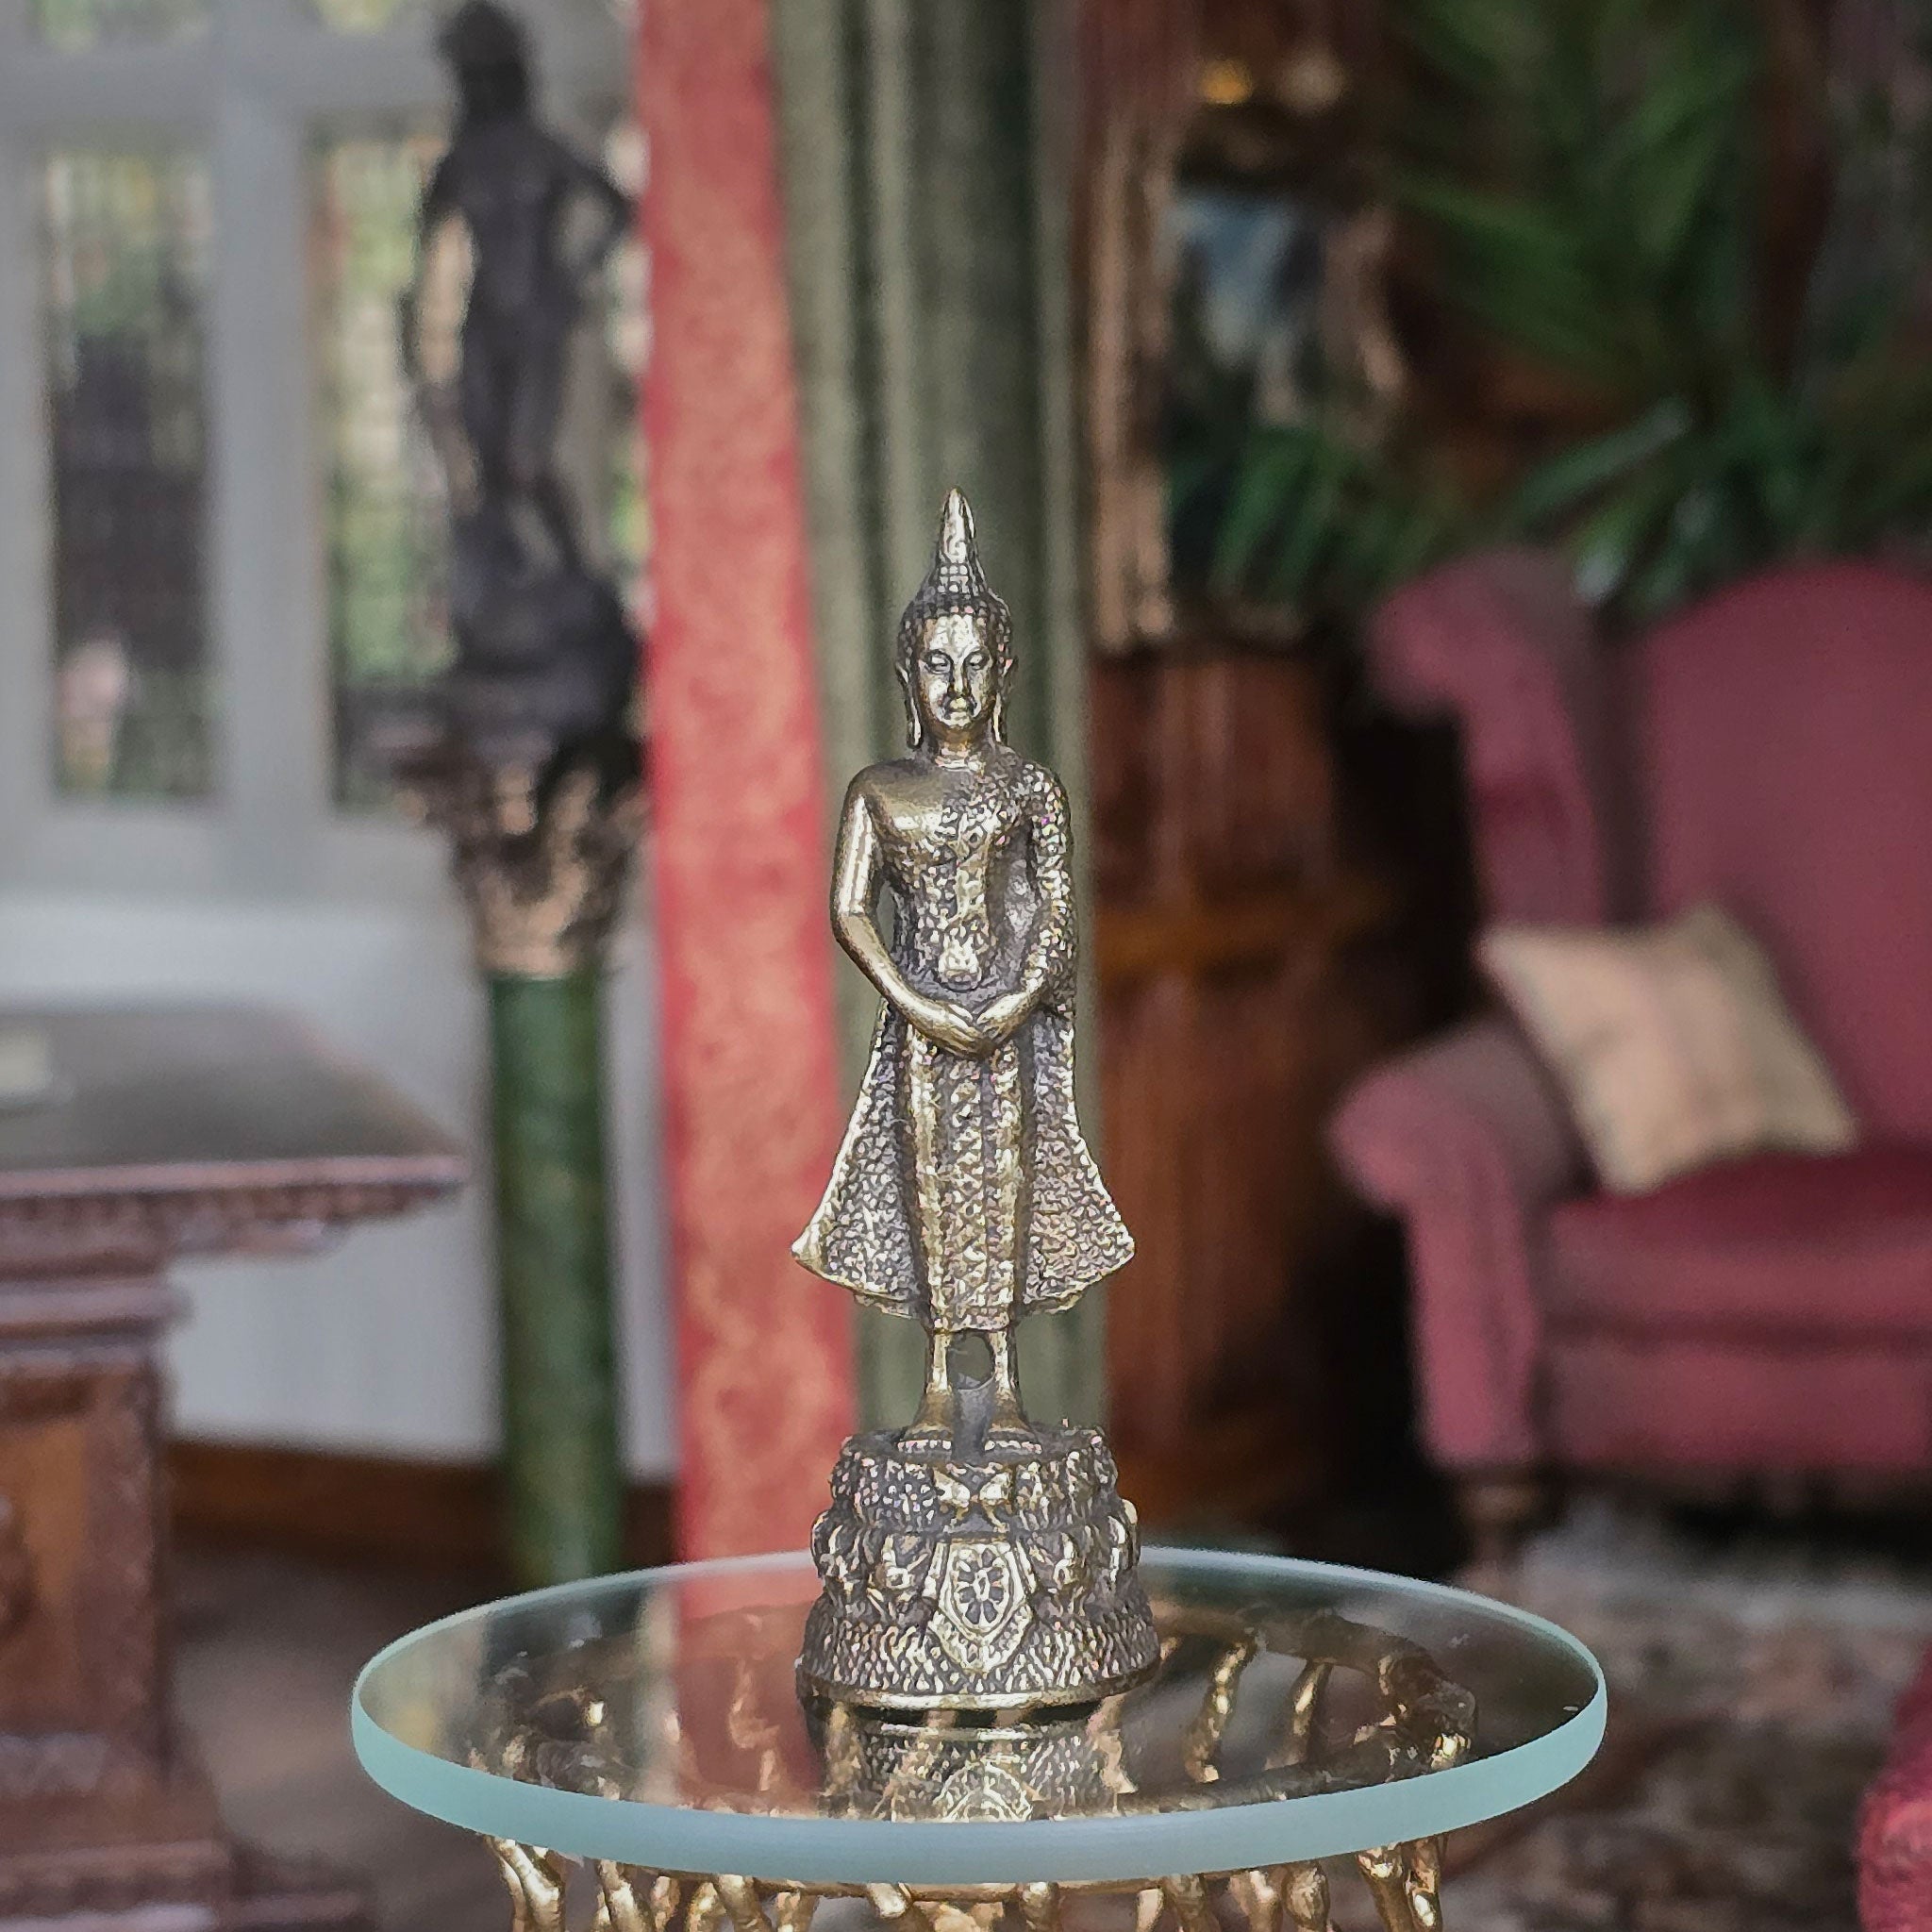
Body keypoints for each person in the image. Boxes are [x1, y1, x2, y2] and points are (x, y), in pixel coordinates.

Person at [793, 491, 1134, 1446]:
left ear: (1003, 671)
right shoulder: (878, 791)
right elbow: (848, 910)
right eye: (936, 663)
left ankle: (1008, 1377)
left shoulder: (1029, 787)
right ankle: (945, 1371)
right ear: (908, 672)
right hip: (922, 1021)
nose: (954, 683)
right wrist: (914, 1002)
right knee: (930, 1180)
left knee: (1010, 1179)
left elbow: (1057, 914)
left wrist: (1013, 1001)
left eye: (972, 663)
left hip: (1005, 1020)